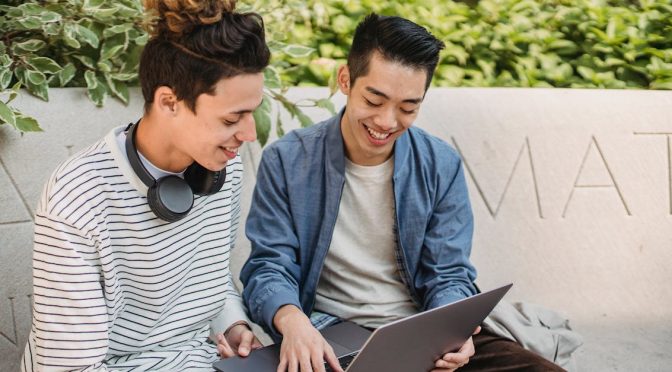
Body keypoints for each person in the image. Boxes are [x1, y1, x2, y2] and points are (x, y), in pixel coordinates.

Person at [241, 13, 565, 372]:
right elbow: (269, 266)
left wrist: (453, 332)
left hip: (423, 330)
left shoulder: (441, 163)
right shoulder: (288, 161)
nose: (387, 122)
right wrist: (292, 321)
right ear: (345, 80)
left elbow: (449, 273)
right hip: (334, 333)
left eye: (408, 107)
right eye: (375, 100)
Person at [20, 0, 269, 370]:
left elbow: (212, 281)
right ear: (169, 102)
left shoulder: (222, 170)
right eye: (233, 118)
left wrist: (231, 321)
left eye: (253, 112)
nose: (248, 134)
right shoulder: (76, 196)